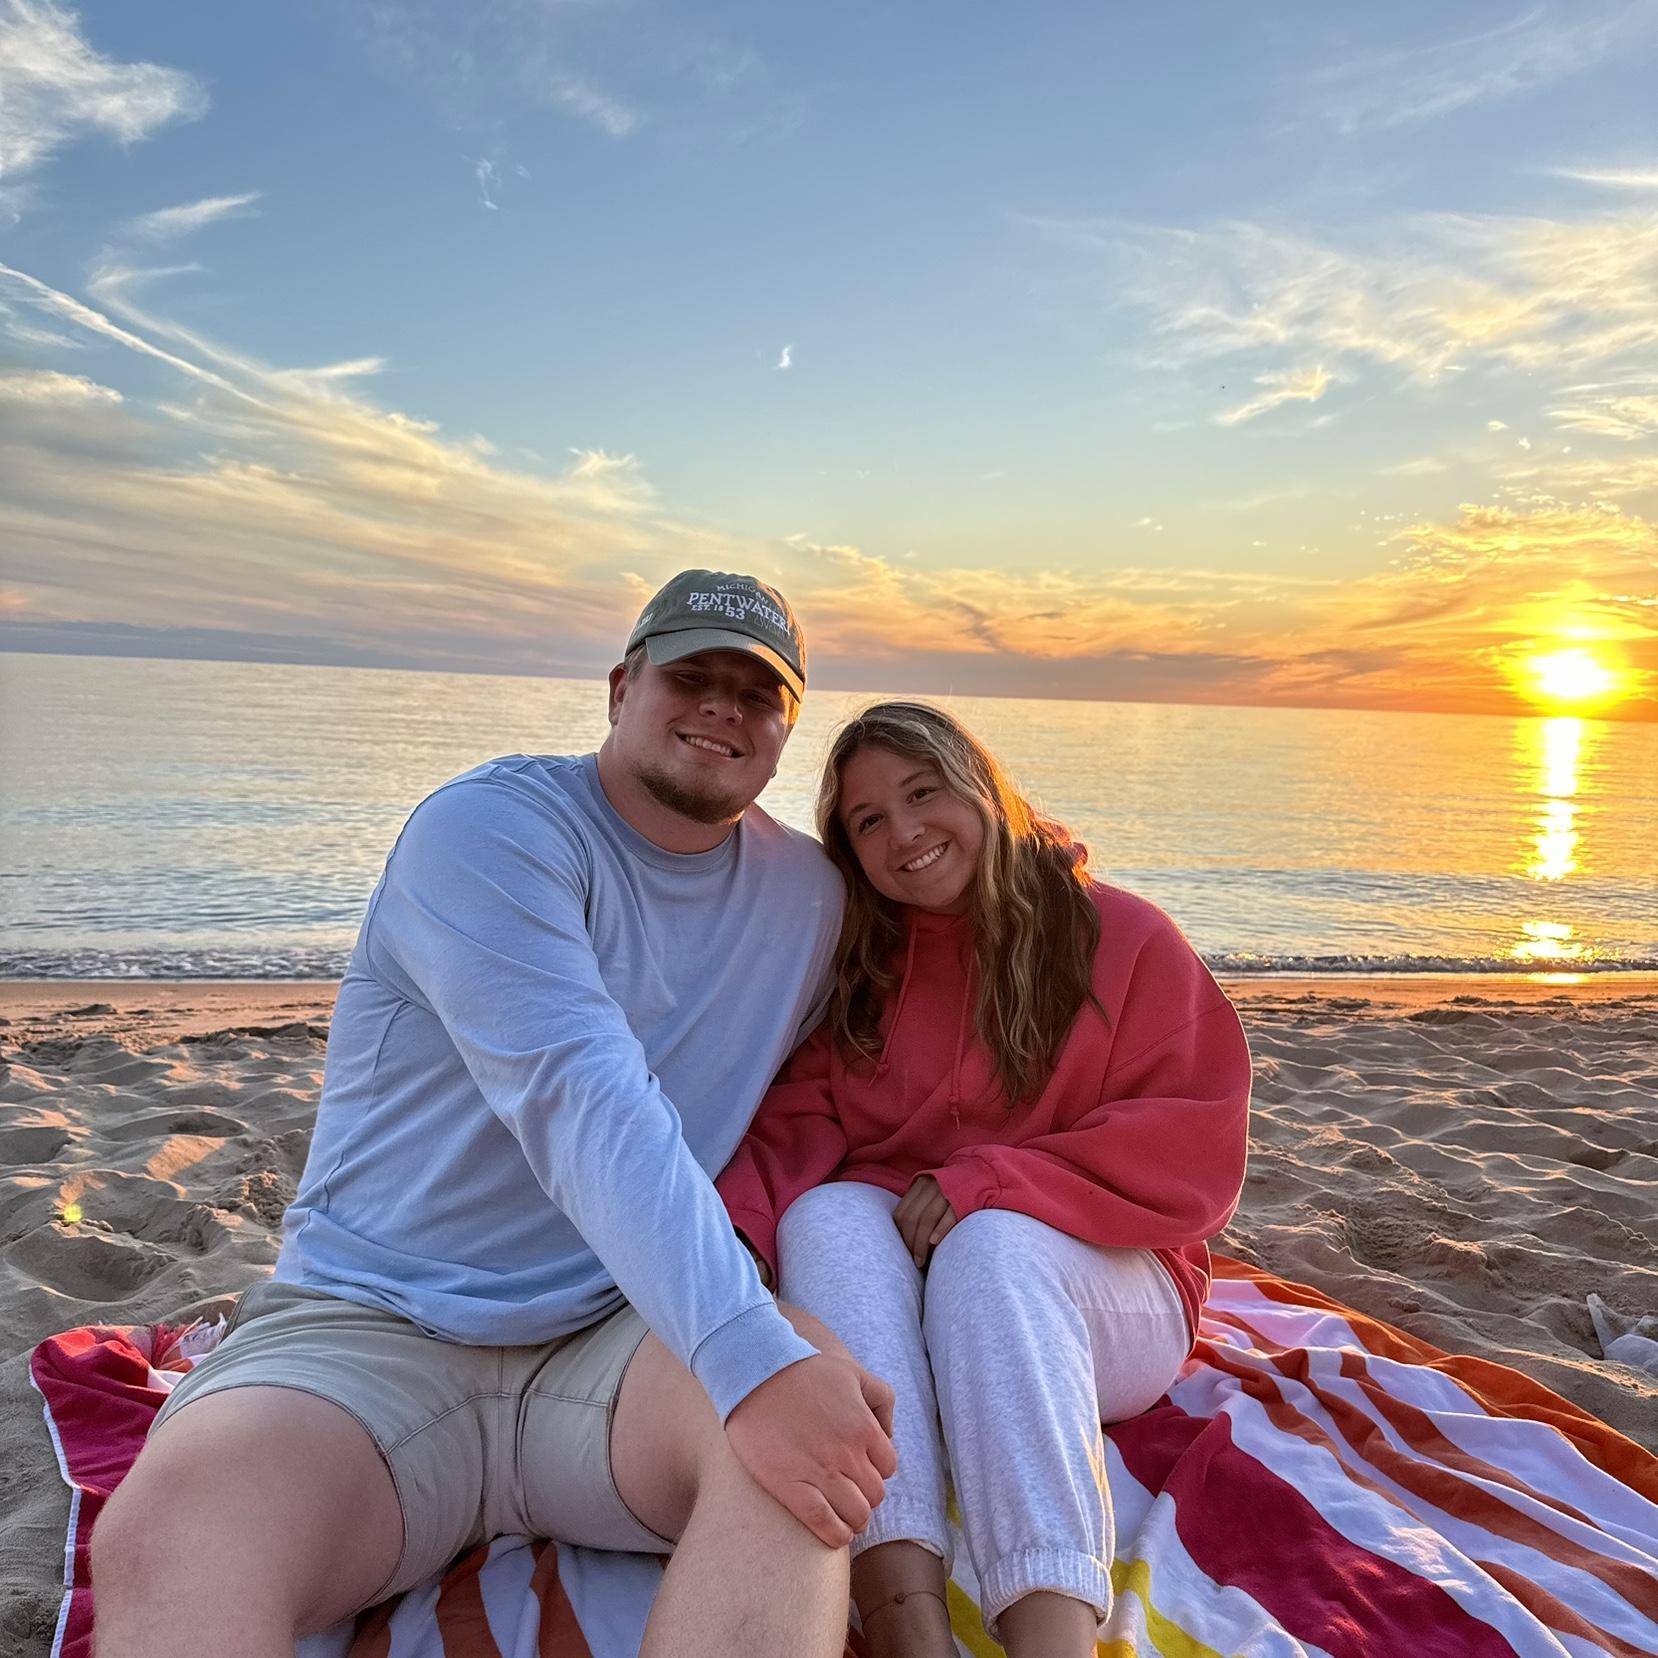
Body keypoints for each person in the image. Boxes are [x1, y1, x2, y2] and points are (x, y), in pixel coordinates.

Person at [93, 571, 898, 1658]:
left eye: (757, 693)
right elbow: (576, 1089)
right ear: (621, 687)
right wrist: (748, 1353)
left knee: (805, 1460)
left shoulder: (811, 898)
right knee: (174, 1537)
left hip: (619, 1333)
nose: (722, 706)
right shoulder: (489, 828)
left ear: (786, 729)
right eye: (690, 675)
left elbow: (952, 982)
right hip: (373, 1327)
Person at [717, 700, 1251, 1658]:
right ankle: (903, 1616)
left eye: (923, 793)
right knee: (828, 1214)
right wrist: (733, 1237)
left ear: (981, 789)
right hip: (920, 1288)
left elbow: (1194, 1145)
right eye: (869, 820)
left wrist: (992, 1180)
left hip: (1108, 1286)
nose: (904, 833)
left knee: (992, 1247)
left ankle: (1052, 1634)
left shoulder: (1120, 936)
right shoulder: (865, 967)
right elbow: (798, 1121)